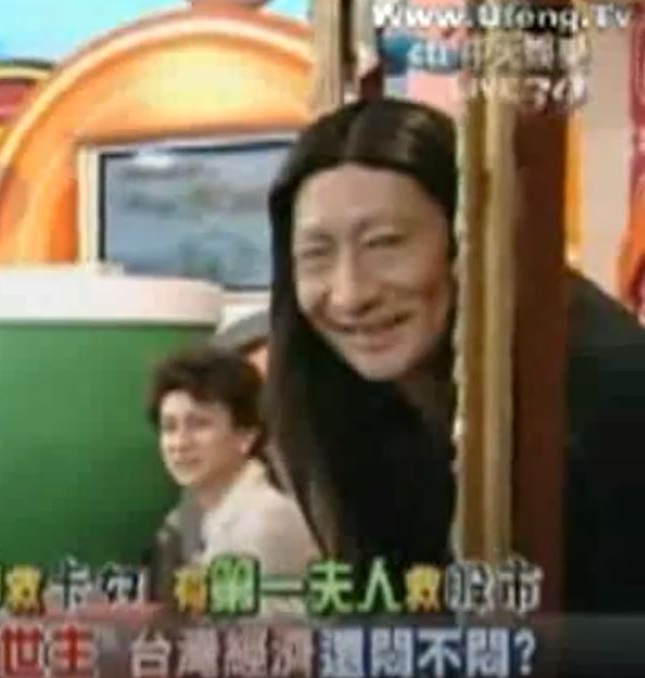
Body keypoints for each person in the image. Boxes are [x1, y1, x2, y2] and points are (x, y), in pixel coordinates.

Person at [265, 97, 645, 613]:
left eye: (385, 243)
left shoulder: (601, 386)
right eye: (316, 254)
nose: (350, 294)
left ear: (469, 237)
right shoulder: (343, 392)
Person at [146, 346, 318, 612]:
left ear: (246, 436)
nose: (180, 443)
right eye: (169, 427)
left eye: (199, 424)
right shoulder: (217, 512)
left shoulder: (262, 521)